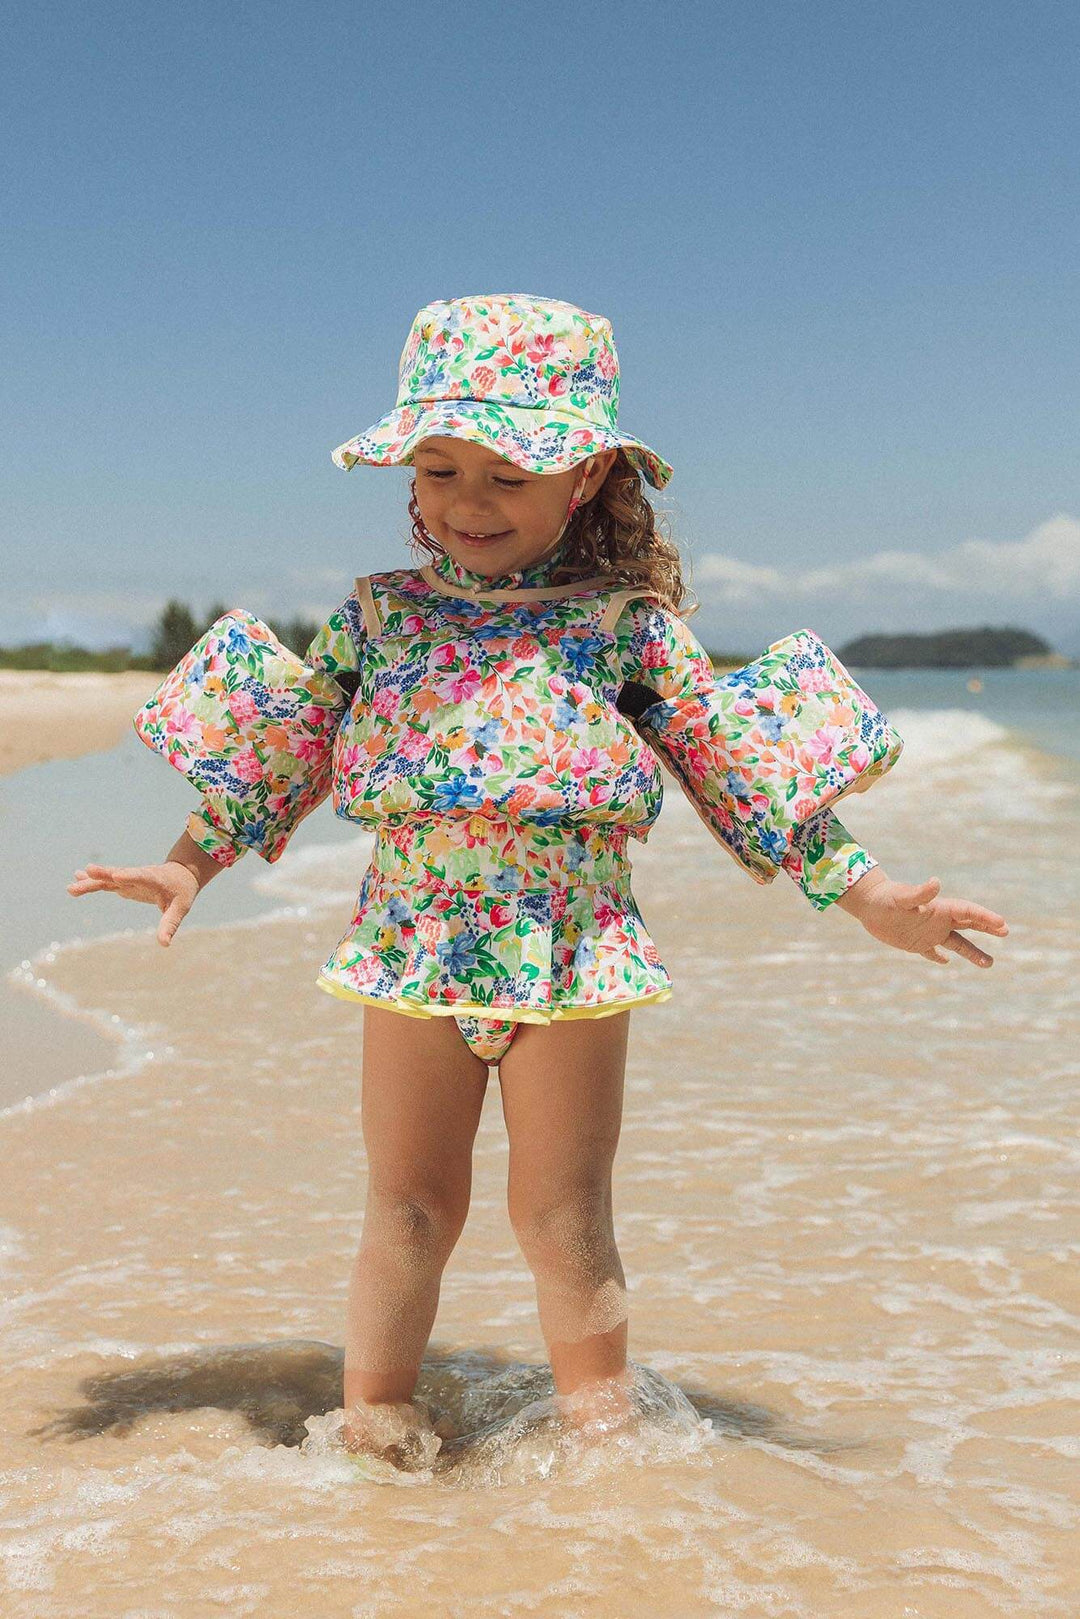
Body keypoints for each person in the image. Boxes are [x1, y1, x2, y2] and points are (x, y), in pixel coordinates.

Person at [68, 294, 1008, 1470]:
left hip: (575, 952)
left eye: (509, 475)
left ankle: (605, 1460)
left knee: (565, 1223)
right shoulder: (381, 615)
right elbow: (291, 745)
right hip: (411, 949)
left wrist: (869, 895)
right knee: (407, 1211)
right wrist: (188, 859)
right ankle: (370, 1434)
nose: (468, 502)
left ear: (586, 474)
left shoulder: (624, 626)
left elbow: (736, 767)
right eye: (439, 467)